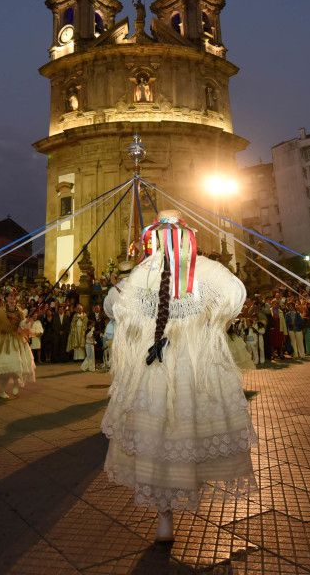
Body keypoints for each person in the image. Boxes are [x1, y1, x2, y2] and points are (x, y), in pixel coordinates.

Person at [102, 210, 256, 544]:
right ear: (187, 236)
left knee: (158, 440)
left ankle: (164, 519)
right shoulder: (208, 270)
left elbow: (112, 307)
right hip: (192, 365)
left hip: (154, 367)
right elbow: (235, 297)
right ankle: (178, 499)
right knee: (185, 434)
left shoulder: (141, 273)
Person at [0, 292, 36, 398]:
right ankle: (2, 391)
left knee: (17, 364)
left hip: (16, 340)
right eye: (10, 297)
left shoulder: (20, 311)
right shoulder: (0, 311)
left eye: (14, 297)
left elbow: (22, 326)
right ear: (6, 298)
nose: (12, 299)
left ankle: (16, 384)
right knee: (6, 368)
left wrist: (27, 322)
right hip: (3, 340)